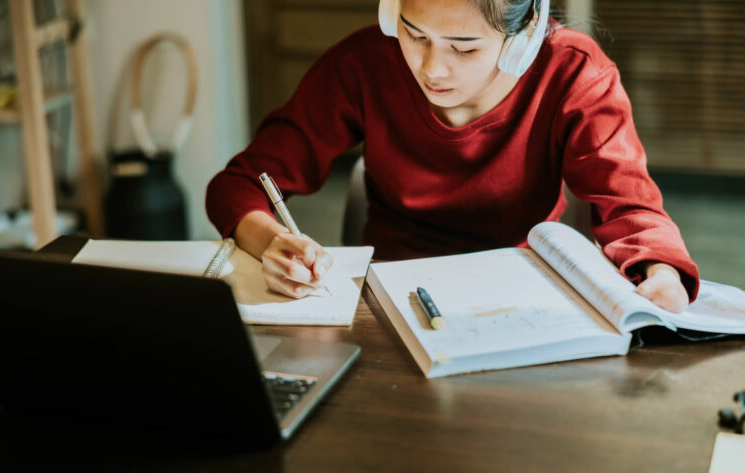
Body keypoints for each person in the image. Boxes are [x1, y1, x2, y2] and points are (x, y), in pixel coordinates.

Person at [206, 0, 699, 313]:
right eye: (415, 34)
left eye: (463, 49)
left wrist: (660, 273)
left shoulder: (573, 73)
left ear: (522, 39)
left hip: (520, 300)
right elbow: (241, 183)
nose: (430, 68)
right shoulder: (363, 63)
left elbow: (630, 206)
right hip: (389, 300)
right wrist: (272, 242)